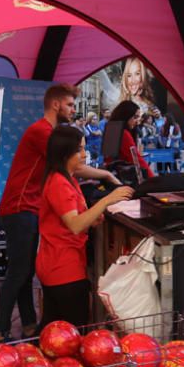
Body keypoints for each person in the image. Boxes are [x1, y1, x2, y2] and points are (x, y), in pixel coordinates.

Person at [0, 84, 121, 342]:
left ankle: (29, 325)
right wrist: (107, 175)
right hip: (20, 206)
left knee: (25, 271)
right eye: (70, 105)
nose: (74, 110)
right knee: (19, 272)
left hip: (28, 206)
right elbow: (71, 165)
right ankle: (0, 332)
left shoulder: (50, 133)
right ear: (55, 105)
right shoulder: (43, 132)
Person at [37, 126, 133, 327]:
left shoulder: (67, 179)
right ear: (65, 153)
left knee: (55, 330)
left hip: (62, 263)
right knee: (71, 330)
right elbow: (74, 225)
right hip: (62, 268)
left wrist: (93, 217)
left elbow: (75, 219)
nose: (84, 154)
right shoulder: (59, 183)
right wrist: (107, 200)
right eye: (79, 150)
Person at [109, 100, 155, 179]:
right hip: (123, 179)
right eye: (135, 117)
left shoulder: (112, 129)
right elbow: (136, 160)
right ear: (126, 116)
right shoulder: (123, 134)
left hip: (113, 176)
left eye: (138, 117)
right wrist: (153, 179)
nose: (137, 121)